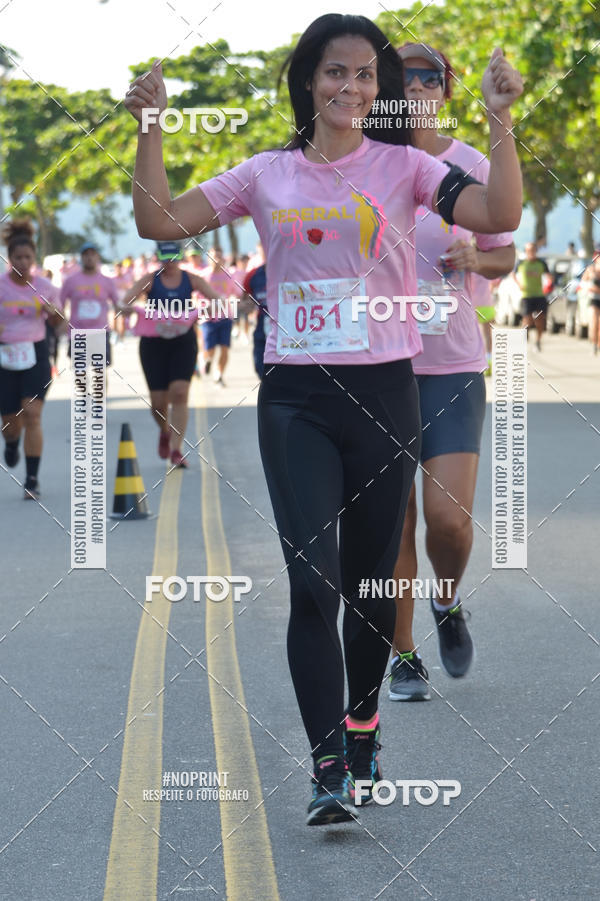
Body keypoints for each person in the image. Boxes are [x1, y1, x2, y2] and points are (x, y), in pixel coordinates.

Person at [124, 13, 522, 824]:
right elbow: (158, 221)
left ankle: (366, 719)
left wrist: (502, 121)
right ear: (308, 79)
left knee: (374, 586)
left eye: (366, 76)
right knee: (314, 583)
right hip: (297, 400)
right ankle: (328, 763)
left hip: (384, 393)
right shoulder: (265, 172)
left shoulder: (406, 167)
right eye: (336, 73)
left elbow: (498, 214)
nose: (353, 88)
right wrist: (152, 127)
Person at [388, 44, 516, 702]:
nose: (415, 87)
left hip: (451, 364)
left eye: (428, 77)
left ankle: (446, 600)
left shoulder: (467, 164)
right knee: (391, 521)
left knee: (447, 520)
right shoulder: (363, 163)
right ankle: (403, 653)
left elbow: (505, 254)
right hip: (375, 366)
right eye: (402, 76)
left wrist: (476, 255)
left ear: (446, 89)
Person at [118, 241, 222, 467]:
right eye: (165, 258)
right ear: (158, 257)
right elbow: (124, 301)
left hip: (183, 341)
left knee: (180, 392)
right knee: (158, 403)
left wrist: (211, 308)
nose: (170, 262)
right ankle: (165, 431)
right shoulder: (150, 280)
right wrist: (128, 308)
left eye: (174, 257)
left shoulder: (191, 279)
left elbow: (217, 301)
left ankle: (176, 448)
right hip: (153, 344)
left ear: (181, 257)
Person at [0, 220, 63, 500]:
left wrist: (53, 313)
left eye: (27, 258)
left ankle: (32, 480)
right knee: (11, 422)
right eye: (17, 258)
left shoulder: (46, 287)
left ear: (34, 259)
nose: (23, 263)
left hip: (36, 353)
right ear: (9, 259)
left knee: (33, 415)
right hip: (5, 355)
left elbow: (61, 324)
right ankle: (11, 443)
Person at [60, 242, 119, 366]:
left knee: (99, 376)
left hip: (100, 333)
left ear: (98, 257)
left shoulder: (107, 281)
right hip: (78, 334)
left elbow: (117, 304)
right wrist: (61, 325)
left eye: (93, 254)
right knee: (80, 376)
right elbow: (60, 305)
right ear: (81, 258)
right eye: (86, 254)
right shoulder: (71, 281)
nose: (89, 257)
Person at [199, 248, 238, 386]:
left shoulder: (228, 276)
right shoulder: (203, 276)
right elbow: (195, 296)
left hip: (225, 317)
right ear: (209, 258)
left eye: (219, 257)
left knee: (224, 348)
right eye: (214, 257)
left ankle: (219, 375)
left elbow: (235, 293)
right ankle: (206, 360)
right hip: (208, 318)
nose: (217, 260)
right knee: (210, 349)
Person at [515, 242, 551, 350]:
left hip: (539, 295)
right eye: (528, 250)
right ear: (526, 252)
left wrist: (549, 284)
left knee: (540, 319)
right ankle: (525, 336)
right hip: (526, 296)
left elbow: (549, 277)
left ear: (536, 251)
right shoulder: (521, 263)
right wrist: (519, 284)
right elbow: (512, 274)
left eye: (532, 250)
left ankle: (538, 341)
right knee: (527, 319)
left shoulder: (541, 263)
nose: (530, 252)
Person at [241, 262, 268, 378]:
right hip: (261, 326)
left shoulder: (290, 270)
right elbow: (245, 300)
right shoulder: (253, 275)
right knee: (259, 367)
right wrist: (246, 306)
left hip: (285, 329)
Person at [584, 254, 600, 354]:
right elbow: (583, 282)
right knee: (594, 322)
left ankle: (598, 343)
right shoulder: (591, 269)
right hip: (594, 299)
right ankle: (594, 344)